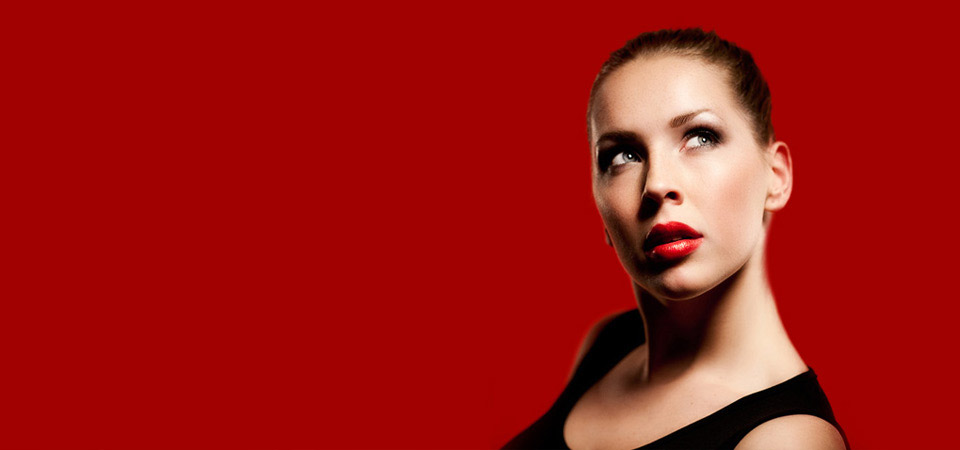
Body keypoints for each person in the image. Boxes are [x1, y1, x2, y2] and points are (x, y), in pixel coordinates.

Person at [503, 28, 849, 450]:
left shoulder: (787, 440)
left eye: (701, 137)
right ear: (602, 210)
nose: (656, 184)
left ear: (776, 178)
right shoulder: (609, 342)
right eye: (623, 155)